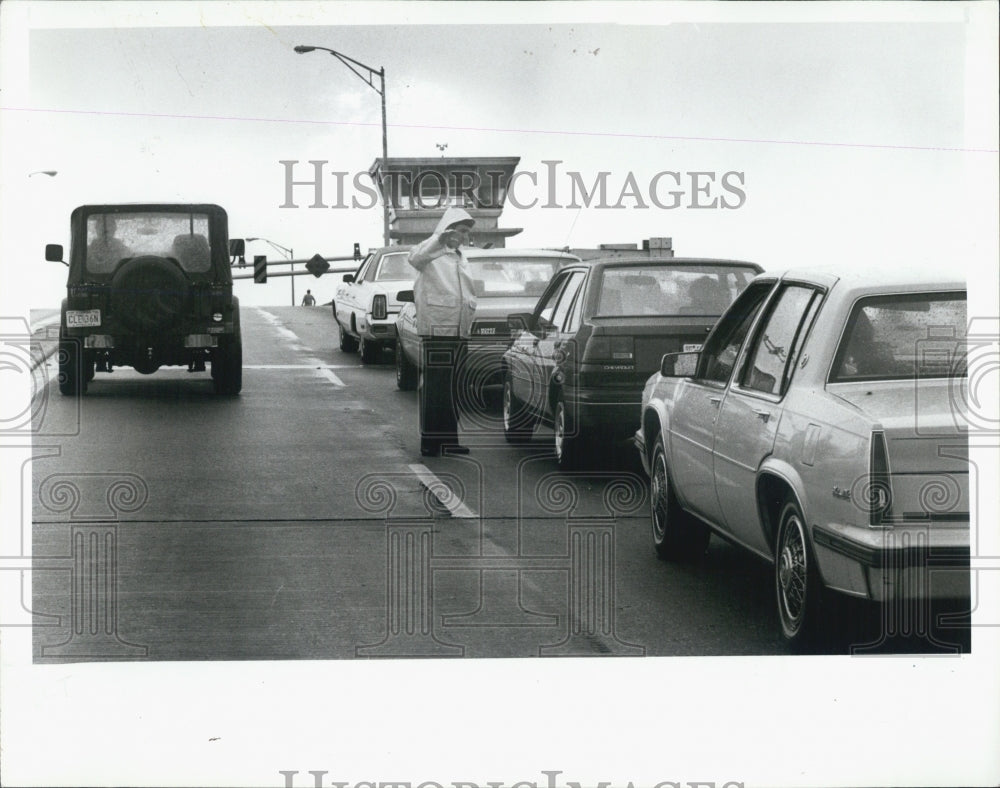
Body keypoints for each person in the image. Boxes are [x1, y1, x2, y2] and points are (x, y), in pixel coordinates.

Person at [407, 207, 478, 457]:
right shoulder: (430, 250)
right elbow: (414, 259)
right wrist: (439, 239)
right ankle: (430, 441)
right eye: (460, 230)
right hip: (438, 329)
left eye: (467, 232)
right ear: (447, 229)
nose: (464, 235)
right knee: (436, 387)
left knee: (454, 387)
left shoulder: (460, 256)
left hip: (458, 329)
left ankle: (449, 440)